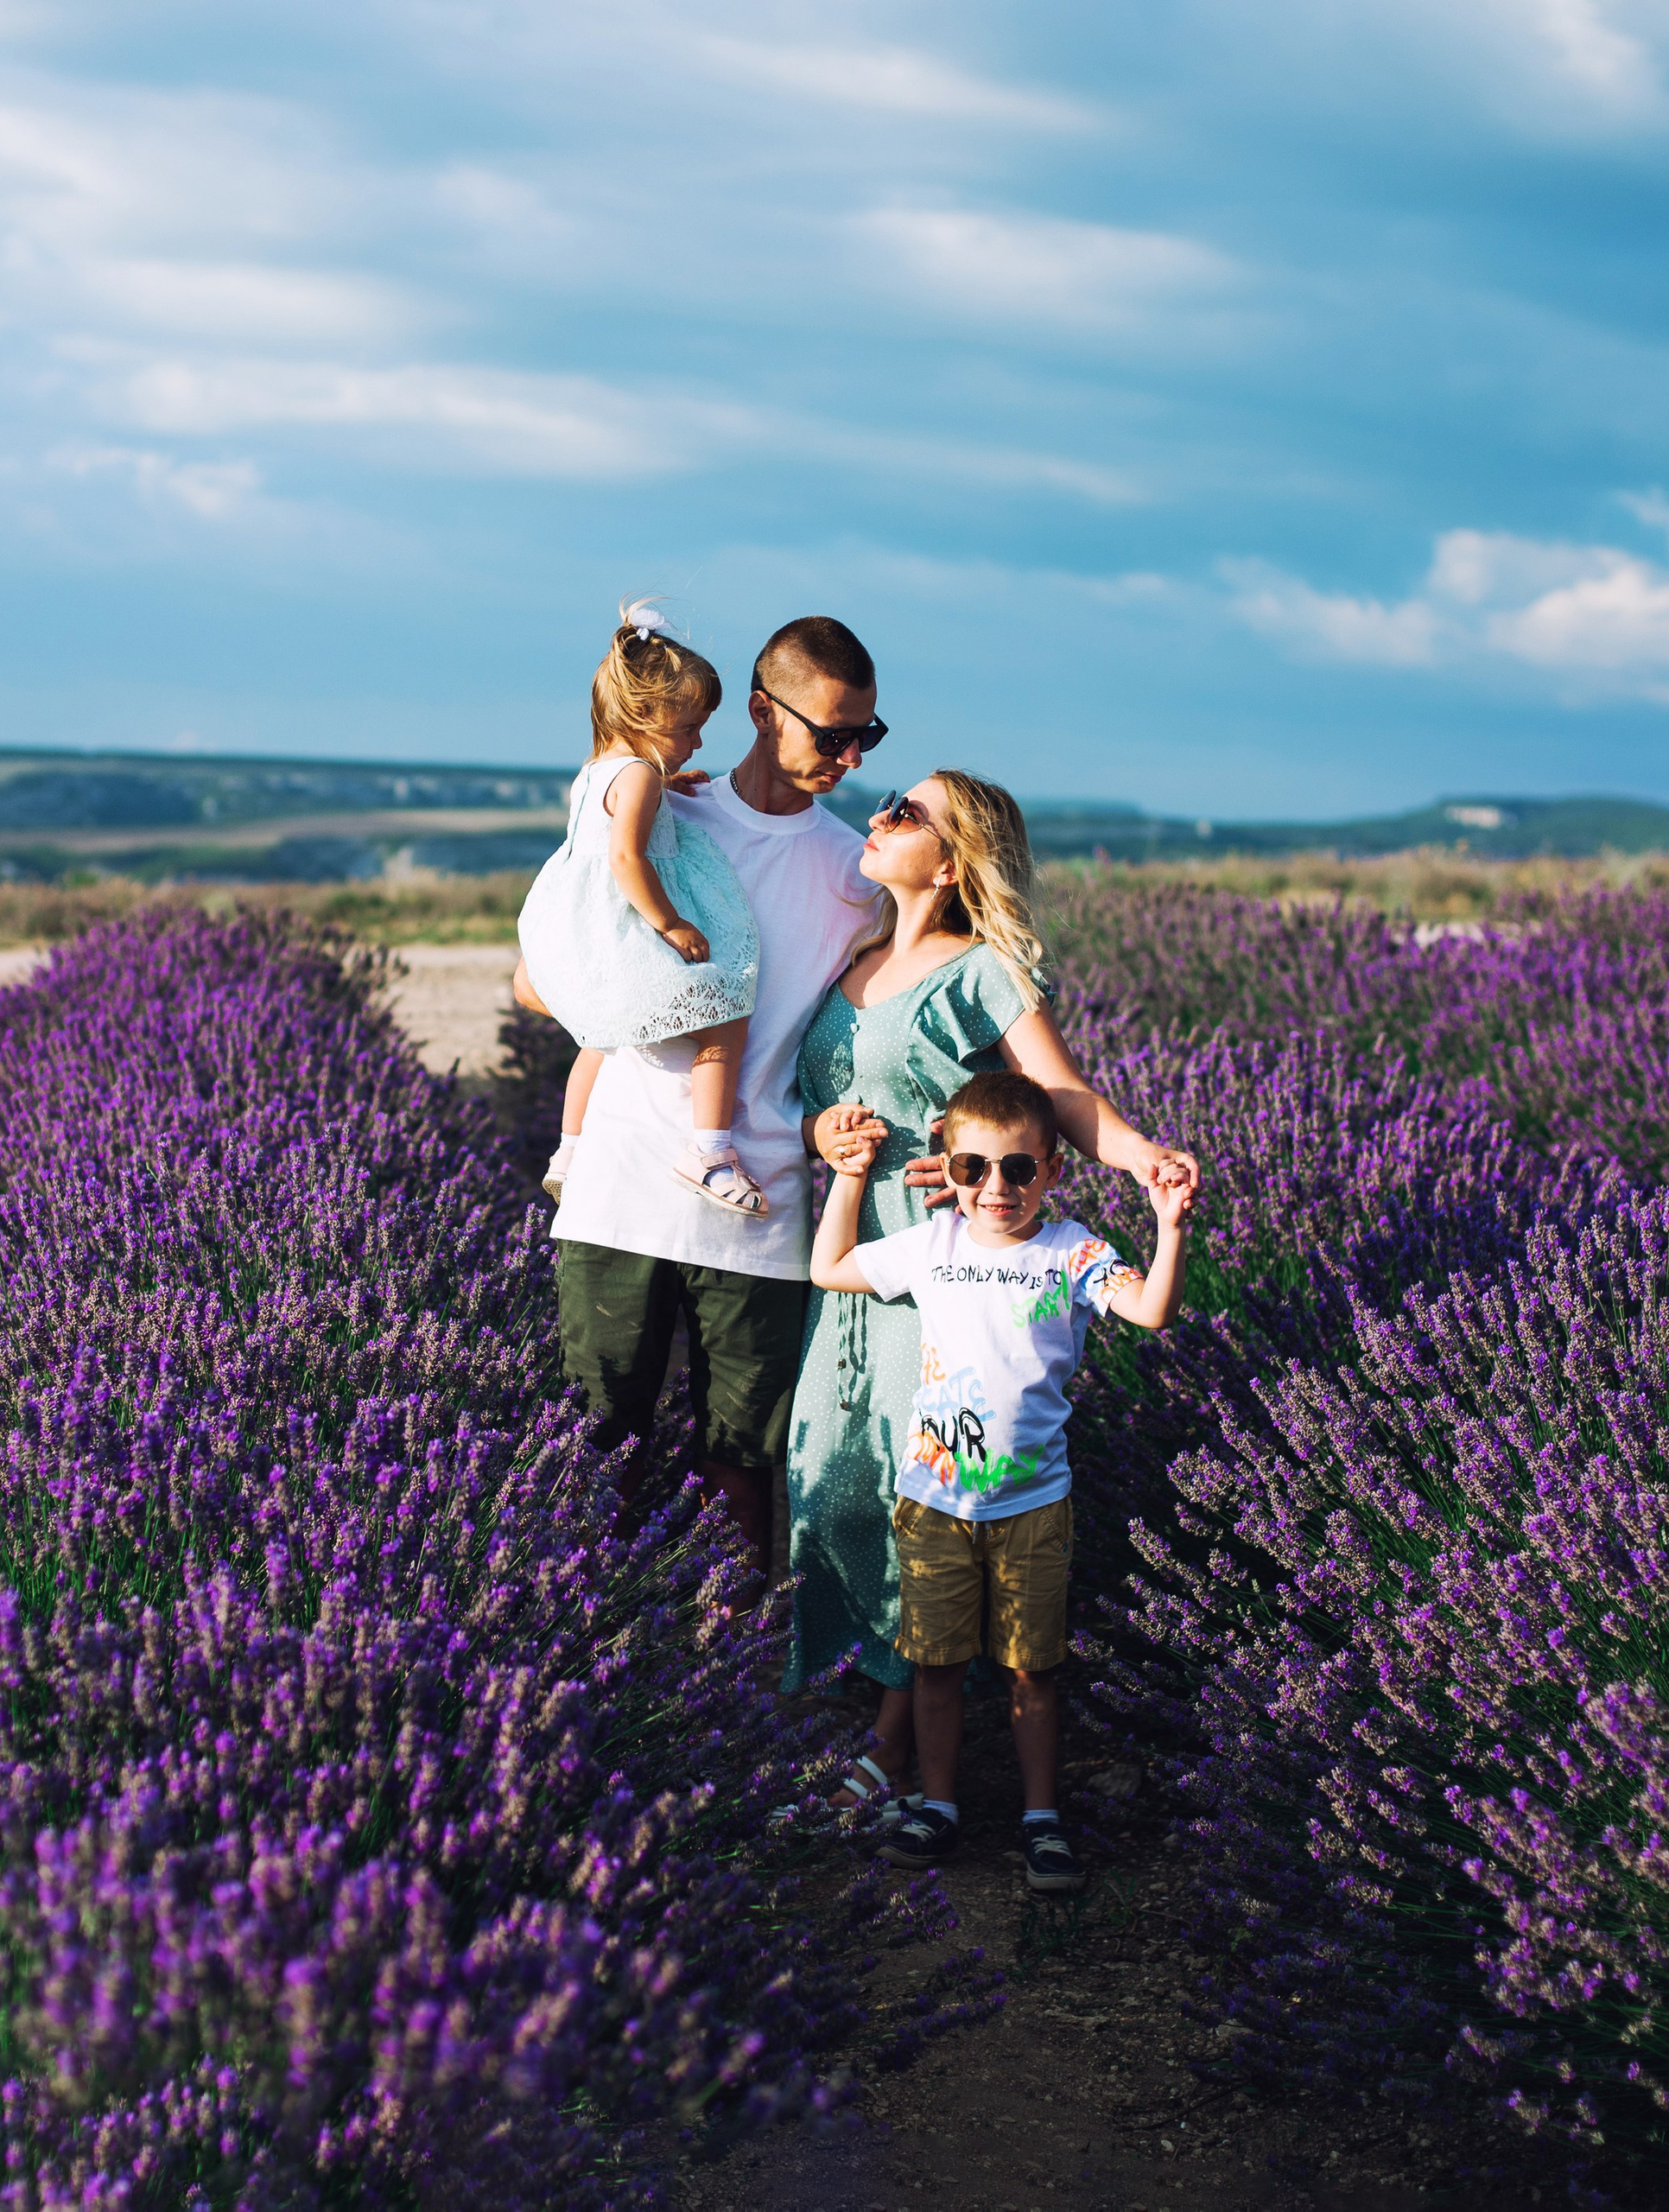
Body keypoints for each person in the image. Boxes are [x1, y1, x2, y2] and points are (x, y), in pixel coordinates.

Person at [787, 769, 1199, 1821]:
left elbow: (1057, 1094)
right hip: (845, 1248)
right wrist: (818, 1136)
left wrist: (1143, 1161)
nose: (878, 817)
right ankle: (885, 1716)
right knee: (833, 1483)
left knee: (912, 1489)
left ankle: (891, 1756)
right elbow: (818, 1101)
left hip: (944, 1265)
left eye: (906, 813)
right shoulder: (854, 957)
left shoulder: (983, 971)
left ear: (956, 856)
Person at [513, 614, 889, 1574]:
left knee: (744, 1465)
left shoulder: (858, 876)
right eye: (830, 733)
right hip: (619, 1186)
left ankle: (739, 1679)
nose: (847, 758)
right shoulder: (665, 809)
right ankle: (596, 1652)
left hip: (759, 1200)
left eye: (866, 738)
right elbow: (534, 975)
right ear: (763, 711)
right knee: (601, 1447)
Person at [810, 1065, 1190, 1889]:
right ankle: (938, 1806)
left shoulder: (1074, 1251)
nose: (995, 1187)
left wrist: (1168, 1227)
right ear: (947, 1170)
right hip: (933, 1502)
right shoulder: (933, 1243)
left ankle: (1042, 1818)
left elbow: (1152, 1310)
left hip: (1034, 1507)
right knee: (935, 1666)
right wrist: (846, 1177)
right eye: (972, 1168)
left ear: (1053, 1171)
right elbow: (829, 1266)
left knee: (1033, 1671)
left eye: (1019, 1168)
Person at [521, 602, 765, 1215]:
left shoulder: (595, 773)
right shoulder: (639, 779)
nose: (698, 741)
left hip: (573, 929)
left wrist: (664, 784)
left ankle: (570, 1152)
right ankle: (709, 1151)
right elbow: (627, 860)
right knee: (725, 1010)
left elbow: (608, 821)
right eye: (689, 728)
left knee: (601, 1039)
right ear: (644, 714)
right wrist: (672, 923)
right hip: (624, 927)